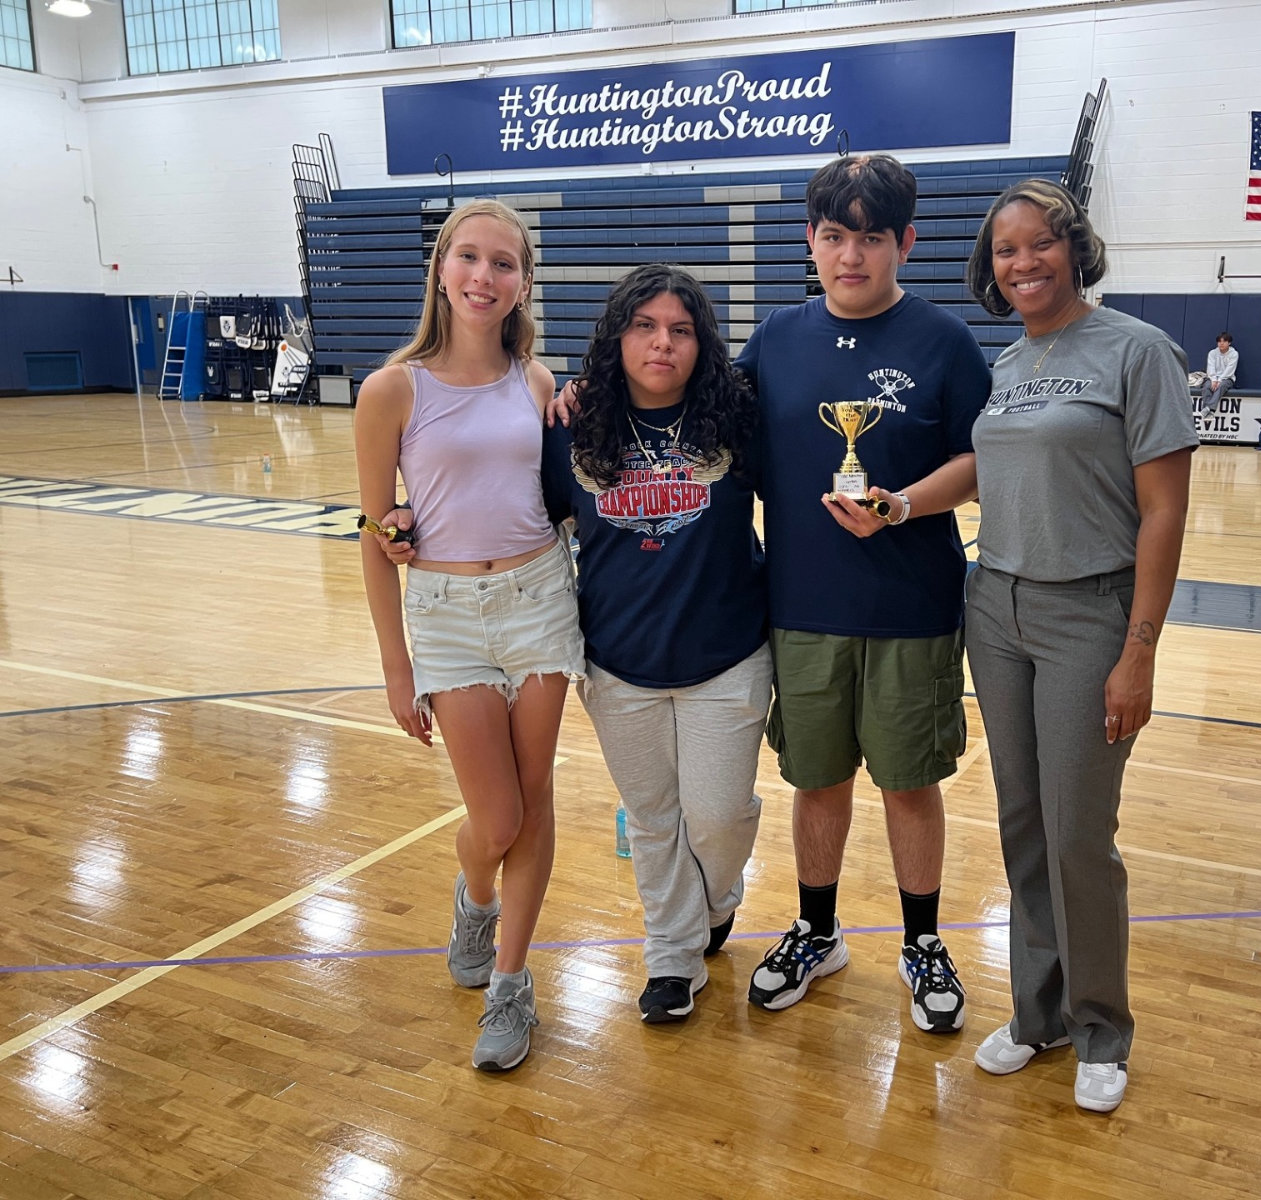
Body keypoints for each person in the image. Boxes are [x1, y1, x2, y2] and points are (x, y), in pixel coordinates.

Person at [734, 154, 991, 1033]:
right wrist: (585, 393)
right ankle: (816, 928)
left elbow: (980, 460)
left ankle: (922, 942)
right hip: (802, 607)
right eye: (835, 235)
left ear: (905, 243)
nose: (852, 255)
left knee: (910, 784)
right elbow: (699, 421)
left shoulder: (945, 342)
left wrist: (905, 505)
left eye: (871, 237)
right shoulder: (773, 340)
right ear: (811, 240)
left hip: (912, 608)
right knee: (818, 781)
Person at [962, 179, 1196, 1112]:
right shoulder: (1008, 367)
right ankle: (1038, 1013)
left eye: (1039, 245)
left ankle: (1102, 1026)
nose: (1024, 263)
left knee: (1078, 836)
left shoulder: (1137, 352)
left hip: (1089, 616)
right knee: (1024, 826)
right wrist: (898, 502)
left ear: (1074, 246)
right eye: (1007, 252)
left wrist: (1139, 648)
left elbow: (1165, 510)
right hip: (997, 607)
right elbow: (990, 473)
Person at [354, 198, 584, 1072]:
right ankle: (474, 899)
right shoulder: (392, 390)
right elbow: (376, 540)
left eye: (504, 264)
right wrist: (393, 666)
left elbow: (559, 489)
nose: (485, 278)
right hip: (446, 618)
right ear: (442, 269)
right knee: (495, 818)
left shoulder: (534, 380)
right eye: (470, 259)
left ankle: (512, 987)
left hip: (537, 598)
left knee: (537, 801)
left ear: (524, 282)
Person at [544, 264, 769, 1024]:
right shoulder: (574, 426)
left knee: (715, 816)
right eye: (645, 327)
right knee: (651, 819)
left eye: (680, 329)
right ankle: (672, 958)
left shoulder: (737, 420)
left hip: (727, 655)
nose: (662, 343)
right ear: (618, 337)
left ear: (702, 343)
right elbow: (528, 523)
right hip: (618, 663)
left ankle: (715, 903)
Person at [1200, 332, 1237, 413]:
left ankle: (1209, 408)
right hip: (1212, 378)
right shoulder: (1212, 353)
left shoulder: (1234, 354)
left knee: (1221, 386)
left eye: (1224, 341)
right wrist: (1213, 379)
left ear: (1229, 343)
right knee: (1207, 386)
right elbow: (1210, 367)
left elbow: (1230, 370)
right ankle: (1207, 412)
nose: (1221, 344)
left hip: (1227, 378)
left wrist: (1220, 380)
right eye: (1219, 341)